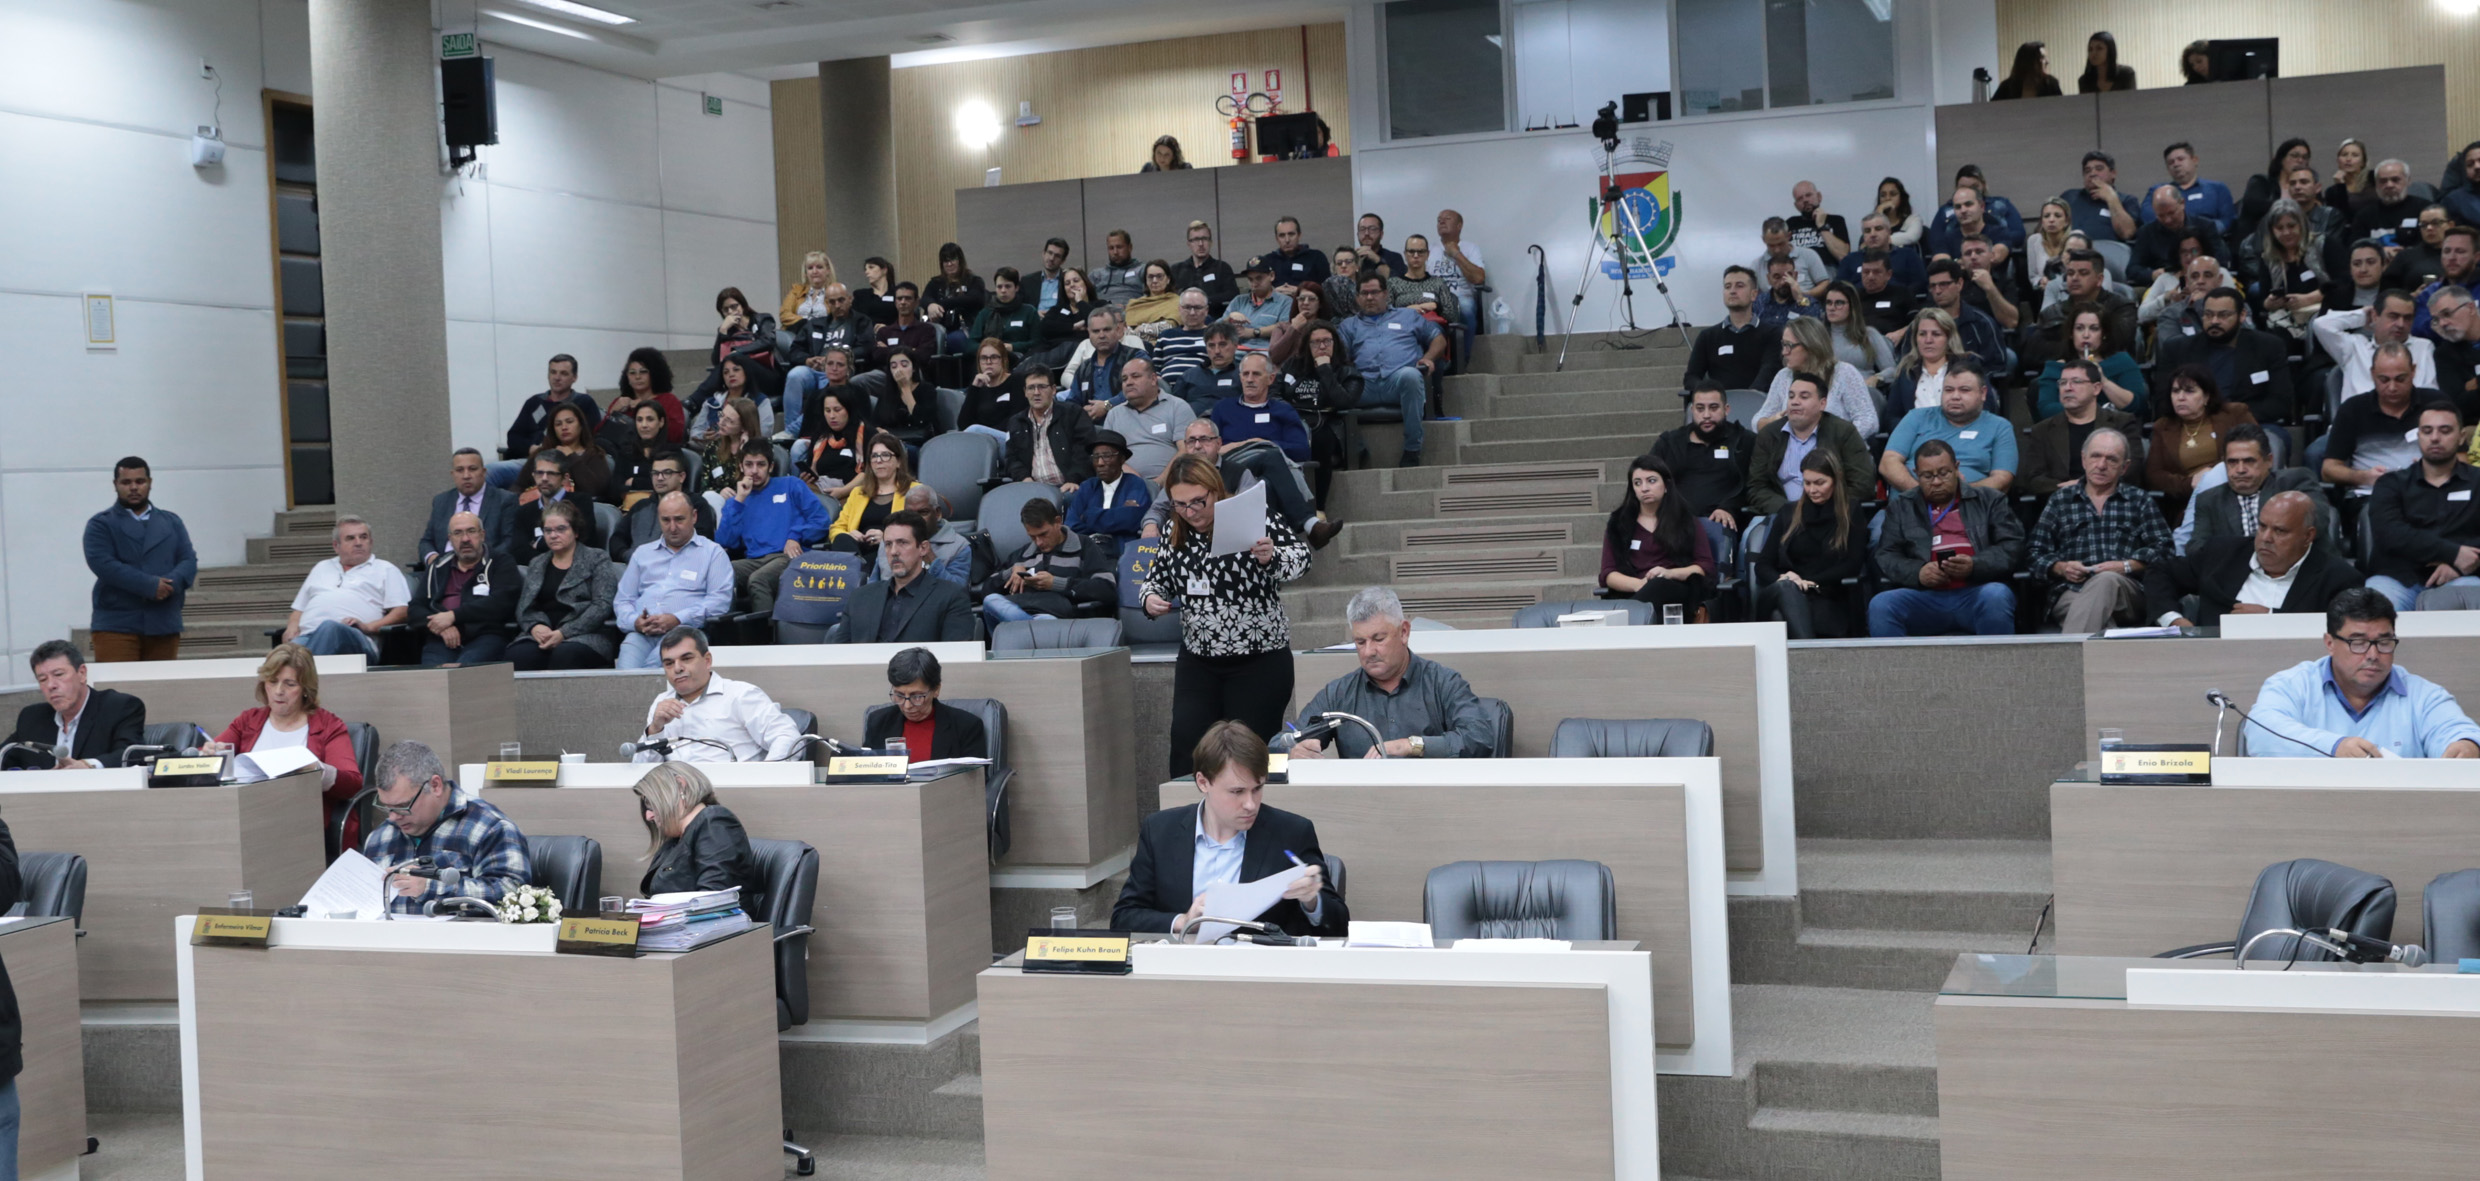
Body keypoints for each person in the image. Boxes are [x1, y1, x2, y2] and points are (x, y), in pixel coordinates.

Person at [1141, 455, 1312, 777]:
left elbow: (1302, 560)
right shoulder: (1174, 529)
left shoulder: (1252, 516)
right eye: (1180, 504)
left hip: (1259, 659)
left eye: (1198, 502)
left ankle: (1255, 808)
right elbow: (1155, 580)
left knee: (1251, 753)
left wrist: (1272, 557)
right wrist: (1150, 598)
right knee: (1187, 745)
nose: (1191, 512)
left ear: (1215, 490)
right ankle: (1188, 808)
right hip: (1199, 660)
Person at [1113, 720, 1346, 938]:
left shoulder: (1291, 833)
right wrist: (1184, 921)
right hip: (1184, 963)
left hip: (1257, 964)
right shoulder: (1160, 831)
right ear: (1203, 782)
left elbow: (1340, 925)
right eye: (1237, 792)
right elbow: (1124, 918)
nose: (1250, 804)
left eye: (1257, 788)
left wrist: (1312, 902)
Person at [2245, 588, 2480, 757]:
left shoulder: (2423, 695)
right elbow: (2261, 732)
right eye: (2358, 643)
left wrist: (2467, 745)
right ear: (2330, 643)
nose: (2373, 655)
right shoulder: (2292, 685)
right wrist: (2334, 747)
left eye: (2384, 642)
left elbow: (2456, 729)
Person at [1291, 587, 1493, 758]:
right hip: (1363, 792)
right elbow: (1284, 740)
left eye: (1378, 639)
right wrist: (1294, 751)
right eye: (1360, 642)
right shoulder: (1339, 693)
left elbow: (1480, 738)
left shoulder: (1443, 682)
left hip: (1430, 790)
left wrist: (1411, 745)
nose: (1368, 652)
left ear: (1404, 632)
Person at [208, 644, 365, 842]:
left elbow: (352, 783)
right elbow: (211, 756)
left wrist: (316, 769)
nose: (278, 691)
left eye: (290, 684)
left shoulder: (328, 726)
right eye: (272, 682)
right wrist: (208, 754)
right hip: (246, 822)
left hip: (301, 830)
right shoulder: (248, 721)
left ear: (306, 689)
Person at [1869, 441, 2023, 636]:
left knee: (1996, 595)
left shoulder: (1989, 499)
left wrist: (1975, 565)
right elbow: (1887, 554)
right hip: (1924, 597)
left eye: (1944, 473)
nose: (1936, 482)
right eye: (1927, 476)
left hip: (1977, 592)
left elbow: (2011, 545)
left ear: (1956, 468)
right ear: (1916, 474)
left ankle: (1997, 658)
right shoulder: (1902, 506)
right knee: (1881, 604)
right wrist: (1918, 572)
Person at [360, 740, 532, 915]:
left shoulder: (489, 827)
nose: (393, 817)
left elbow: (513, 895)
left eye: (403, 806)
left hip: (461, 933)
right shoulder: (381, 837)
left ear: (435, 786)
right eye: (387, 808)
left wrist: (431, 887)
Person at [2147, 491, 2362, 627]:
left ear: (2308, 536)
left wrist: (2271, 620)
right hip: (2214, 666)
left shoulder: (2338, 578)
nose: (2266, 538)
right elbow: (2160, 572)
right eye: (2262, 526)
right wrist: (2174, 620)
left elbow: (2348, 630)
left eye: (2280, 531)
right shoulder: (2221, 554)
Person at [2027, 428, 2169, 633]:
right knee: (2092, 612)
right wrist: (2062, 567)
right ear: (2084, 460)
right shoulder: (2061, 500)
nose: (2101, 465)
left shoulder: (2139, 500)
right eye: (2095, 456)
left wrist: (2126, 566)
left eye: (2111, 459)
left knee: (2105, 580)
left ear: (2124, 467)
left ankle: (2070, 655)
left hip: (2127, 591)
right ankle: (2100, 653)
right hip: (2071, 591)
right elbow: (2034, 554)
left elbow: (2165, 551)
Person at [2367, 403, 2480, 610]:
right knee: (2376, 606)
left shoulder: (2478, 481)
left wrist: (2461, 566)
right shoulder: (2390, 483)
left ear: (2461, 436)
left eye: (2445, 430)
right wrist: (2452, 553)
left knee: (2472, 595)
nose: (2435, 438)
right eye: (2427, 431)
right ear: (2418, 435)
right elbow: (2389, 533)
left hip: (2461, 577)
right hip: (2397, 580)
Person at [84, 456, 196, 662]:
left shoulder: (171, 521)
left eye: (140, 481)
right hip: (117, 623)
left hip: (163, 620)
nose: (134, 487)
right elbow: (103, 564)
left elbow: (188, 560)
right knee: (118, 683)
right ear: (115, 485)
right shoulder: (101, 524)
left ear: (150, 483)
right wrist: (150, 585)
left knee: (161, 682)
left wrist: (170, 585)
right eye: (126, 482)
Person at [636, 627, 800, 763]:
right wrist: (655, 729)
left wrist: (766, 778)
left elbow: (787, 737)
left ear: (707, 660)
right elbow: (641, 771)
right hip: (678, 790)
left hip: (734, 788)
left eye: (686, 659)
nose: (677, 668)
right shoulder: (662, 703)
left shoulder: (740, 695)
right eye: (669, 663)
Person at [1752, 451, 1867, 638]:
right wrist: (1783, 578)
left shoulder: (1851, 511)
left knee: (1780, 617)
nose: (1812, 490)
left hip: (1825, 593)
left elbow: (1853, 563)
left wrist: (1812, 582)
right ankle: (1810, 650)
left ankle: (1804, 649)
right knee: (1787, 588)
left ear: (1836, 480)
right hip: (1782, 589)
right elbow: (1763, 564)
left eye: (1820, 483)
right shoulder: (1788, 512)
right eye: (1807, 483)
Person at [1337, 271, 1445, 467]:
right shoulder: (1348, 325)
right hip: (1364, 385)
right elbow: (1338, 357)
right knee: (1333, 388)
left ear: (1385, 294)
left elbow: (1438, 339)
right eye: (1364, 293)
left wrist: (1428, 358)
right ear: (1357, 297)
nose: (1369, 297)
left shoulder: (1408, 316)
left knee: (1411, 376)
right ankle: (1357, 449)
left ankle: (1412, 449)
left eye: (1374, 292)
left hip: (1398, 381)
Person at [1599, 454, 1717, 621]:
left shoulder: (1685, 520)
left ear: (1666, 485)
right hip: (1633, 591)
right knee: (1653, 596)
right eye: (1637, 483)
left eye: (1651, 481)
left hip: (1676, 592)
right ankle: (1634, 617)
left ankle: (1624, 621)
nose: (1644, 488)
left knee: (1659, 584)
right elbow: (1608, 574)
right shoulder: (1619, 523)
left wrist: (1669, 573)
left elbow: (1705, 567)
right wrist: (1638, 584)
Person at [2184, 424, 2335, 554]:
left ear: (2269, 461)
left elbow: (2316, 522)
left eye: (2249, 461)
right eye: (2233, 462)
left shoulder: (2295, 482)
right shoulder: (2210, 499)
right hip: (2239, 574)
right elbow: (2196, 549)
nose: (2240, 470)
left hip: (2299, 570)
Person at [507, 500, 620, 671]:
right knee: (518, 655)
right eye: (548, 531)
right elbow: (524, 606)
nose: (553, 535)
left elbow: (602, 605)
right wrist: (535, 626)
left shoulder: (597, 559)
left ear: (575, 531)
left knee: (565, 654)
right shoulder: (537, 563)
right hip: (543, 633)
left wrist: (564, 633)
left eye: (561, 529)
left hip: (586, 634)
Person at [2153, 287, 2293, 422]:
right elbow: (2162, 402)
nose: (2214, 321)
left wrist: (2229, 417)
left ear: (2242, 315)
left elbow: (2280, 401)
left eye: (2223, 315)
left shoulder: (2268, 346)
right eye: (2208, 314)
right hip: (2193, 424)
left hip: (2252, 422)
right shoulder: (2177, 349)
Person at [2323, 345, 2440, 502]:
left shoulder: (2436, 404)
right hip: (2371, 496)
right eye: (2384, 380)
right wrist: (2362, 477)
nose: (2392, 387)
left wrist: (2434, 467)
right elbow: (2329, 469)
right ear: (2372, 374)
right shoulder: (2353, 409)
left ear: (2413, 371)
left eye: (2400, 379)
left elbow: (2461, 458)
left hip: (2430, 493)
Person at [836, 512, 976, 643]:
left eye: (902, 543)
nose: (894, 551)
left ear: (923, 548)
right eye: (888, 544)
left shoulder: (951, 596)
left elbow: (956, 656)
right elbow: (839, 655)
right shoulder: (860, 597)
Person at [3, 641, 145, 769]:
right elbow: (5, 756)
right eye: (43, 679)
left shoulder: (119, 707)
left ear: (82, 673)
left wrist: (88, 765)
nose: (51, 685)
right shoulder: (32, 717)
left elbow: (131, 755)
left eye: (59, 674)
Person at [281, 515, 407, 657]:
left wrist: (369, 627)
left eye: (363, 537)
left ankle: (306, 666)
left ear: (371, 542)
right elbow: (299, 609)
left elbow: (402, 612)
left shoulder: (385, 569)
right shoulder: (322, 567)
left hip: (356, 639)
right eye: (350, 538)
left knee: (329, 628)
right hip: (307, 637)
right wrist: (291, 627)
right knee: (283, 656)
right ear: (336, 546)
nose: (358, 543)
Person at [631, 761, 761, 899]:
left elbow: (712, 898)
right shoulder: (673, 841)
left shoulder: (714, 821)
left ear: (680, 786)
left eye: (650, 804)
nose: (648, 816)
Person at [1747, 374, 1872, 517]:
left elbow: (1862, 484)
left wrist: (1821, 509)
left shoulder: (1843, 432)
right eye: (1791, 396)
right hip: (1779, 514)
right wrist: (1789, 511)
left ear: (1822, 404)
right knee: (1755, 532)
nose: (1795, 402)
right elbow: (1757, 486)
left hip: (1831, 515)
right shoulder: (1769, 434)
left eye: (1804, 397)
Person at [2144, 365, 2256, 523]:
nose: (2180, 397)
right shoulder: (2163, 427)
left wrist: (2212, 474)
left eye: (2189, 391)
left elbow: (2255, 451)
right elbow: (2154, 475)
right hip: (2188, 500)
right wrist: (2189, 483)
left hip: (2234, 490)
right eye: (2175, 391)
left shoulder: (2234, 414)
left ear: (2206, 397)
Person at [2020, 358, 2146, 499]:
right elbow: (2033, 478)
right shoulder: (2042, 430)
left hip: (2111, 499)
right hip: (2061, 501)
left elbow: (2132, 469)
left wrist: (2087, 485)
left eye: (2076, 382)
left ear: (2096, 388)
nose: (2067, 388)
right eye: (2062, 383)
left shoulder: (2121, 423)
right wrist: (2069, 488)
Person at [978, 497, 1111, 629]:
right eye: (1032, 537)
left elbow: (1106, 589)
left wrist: (1056, 583)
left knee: (1045, 621)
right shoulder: (1021, 554)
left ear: (1057, 522)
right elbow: (986, 590)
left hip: (1057, 616)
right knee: (991, 600)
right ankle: (1031, 628)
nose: (1039, 542)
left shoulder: (1084, 546)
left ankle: (1030, 629)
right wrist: (1011, 572)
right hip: (1017, 611)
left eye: (1043, 534)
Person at [1882, 361, 2015, 493]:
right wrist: (1923, 494)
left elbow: (2002, 478)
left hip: (1972, 503)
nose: (1955, 396)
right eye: (1949, 390)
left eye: (1964, 390)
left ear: (1983, 393)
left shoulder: (1999, 426)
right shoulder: (1916, 417)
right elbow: (1888, 463)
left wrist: (1958, 495)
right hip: (1912, 501)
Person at [407, 512, 518, 667]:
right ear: (450, 539)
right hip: (442, 639)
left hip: (486, 636)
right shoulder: (438, 566)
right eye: (458, 533)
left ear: (482, 535)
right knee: (433, 675)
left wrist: (453, 616)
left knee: (463, 673)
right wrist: (441, 627)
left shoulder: (500, 562)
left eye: (471, 531)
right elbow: (415, 608)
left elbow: (501, 603)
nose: (465, 539)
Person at [1653, 381, 1757, 530]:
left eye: (1713, 408)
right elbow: (1647, 479)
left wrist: (1729, 508)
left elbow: (1755, 485)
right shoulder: (1669, 442)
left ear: (1726, 409)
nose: (1706, 415)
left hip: (1723, 522)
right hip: (1676, 522)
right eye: (1700, 409)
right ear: (1692, 410)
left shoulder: (1745, 441)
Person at [1754, 316, 1876, 436]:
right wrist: (1771, 422)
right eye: (1783, 345)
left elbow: (1868, 420)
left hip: (1837, 447)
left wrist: (1837, 441)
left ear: (1810, 346)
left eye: (1789, 345)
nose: (1784, 352)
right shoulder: (1783, 376)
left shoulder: (1844, 373)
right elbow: (1757, 420)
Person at [861, 647, 987, 760]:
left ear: (936, 690)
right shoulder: (878, 722)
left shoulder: (965, 726)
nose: (907, 706)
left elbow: (976, 777)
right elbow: (865, 773)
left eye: (916, 697)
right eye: (899, 695)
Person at [494, 354, 601, 487]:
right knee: (490, 471)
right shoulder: (534, 402)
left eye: (563, 373)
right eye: (553, 372)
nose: (557, 377)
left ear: (574, 377)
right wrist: (530, 448)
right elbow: (513, 437)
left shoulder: (583, 403)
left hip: (566, 463)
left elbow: (595, 437)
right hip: (531, 462)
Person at [2313, 291, 2438, 402]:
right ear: (2374, 316)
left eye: (2407, 318)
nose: (2401, 324)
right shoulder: (2354, 347)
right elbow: (2321, 324)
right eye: (2393, 316)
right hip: (2358, 418)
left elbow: (2430, 394)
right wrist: (2362, 315)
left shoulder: (2423, 347)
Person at [2035, 305, 2147, 419]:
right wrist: (2091, 410)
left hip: (2115, 426)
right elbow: (2046, 409)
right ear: (2071, 334)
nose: (2086, 335)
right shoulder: (2057, 368)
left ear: (2104, 334)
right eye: (2079, 328)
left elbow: (2136, 405)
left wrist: (2103, 380)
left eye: (2094, 329)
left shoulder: (2121, 361)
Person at [2030, 251, 2137, 366]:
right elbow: (2033, 354)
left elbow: (2114, 345)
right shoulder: (2052, 313)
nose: (2075, 278)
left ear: (2099, 279)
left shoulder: (2122, 308)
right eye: (2070, 273)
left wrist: (2067, 341)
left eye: (2083, 273)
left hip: (2111, 370)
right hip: (2062, 371)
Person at [1004, 368, 1096, 491]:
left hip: (1069, 487)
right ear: (1025, 392)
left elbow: (1085, 451)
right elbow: (1011, 459)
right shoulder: (1016, 422)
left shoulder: (1074, 413)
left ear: (1053, 389)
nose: (1036, 392)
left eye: (1042, 387)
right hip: (1032, 488)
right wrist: (1024, 479)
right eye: (1031, 388)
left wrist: (1073, 480)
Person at [420, 449, 519, 564]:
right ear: (453, 474)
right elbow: (426, 541)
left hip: (486, 566)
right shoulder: (441, 501)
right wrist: (433, 559)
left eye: (472, 469)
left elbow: (509, 542)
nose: (466, 476)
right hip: (444, 566)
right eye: (460, 470)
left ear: (483, 472)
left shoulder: (504, 500)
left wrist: (480, 563)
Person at [1103, 358, 1195, 481]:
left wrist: (1158, 483)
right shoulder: (1114, 414)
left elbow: (1186, 450)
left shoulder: (1177, 407)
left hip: (1173, 483)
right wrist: (1137, 483)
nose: (1128, 382)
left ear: (1153, 379)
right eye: (1124, 379)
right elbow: (1107, 457)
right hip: (1125, 484)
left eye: (1135, 376)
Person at [1684, 267, 1771, 392]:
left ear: (1754, 294)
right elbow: (1691, 376)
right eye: (1728, 286)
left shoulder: (1771, 333)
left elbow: (1770, 370)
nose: (1732, 291)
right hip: (1718, 402)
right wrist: (1710, 394)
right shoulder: (1707, 336)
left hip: (1759, 400)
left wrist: (1750, 396)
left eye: (1739, 286)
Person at [508, 450, 604, 563]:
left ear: (565, 478)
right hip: (538, 570)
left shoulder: (581, 502)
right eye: (539, 473)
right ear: (533, 475)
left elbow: (583, 542)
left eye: (551, 473)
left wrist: (539, 544)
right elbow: (518, 552)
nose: (544, 478)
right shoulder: (524, 512)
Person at [829, 435, 916, 558]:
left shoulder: (914, 491)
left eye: (885, 455)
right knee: (841, 539)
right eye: (874, 456)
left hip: (891, 554)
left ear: (899, 461)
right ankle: (858, 565)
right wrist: (849, 535)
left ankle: (860, 567)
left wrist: (887, 539)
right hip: (858, 551)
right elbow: (836, 528)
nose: (878, 461)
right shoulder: (858, 493)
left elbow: (919, 530)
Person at [1067, 430, 1151, 557]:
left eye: (1107, 456)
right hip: (1087, 551)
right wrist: (1117, 518)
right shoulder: (1087, 486)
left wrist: (1088, 515)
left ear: (1122, 459)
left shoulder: (1135, 483)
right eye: (1096, 457)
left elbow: (1133, 520)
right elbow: (1071, 524)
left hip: (1122, 552)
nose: (1100, 463)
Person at [1210, 353, 1309, 461]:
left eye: (1256, 374)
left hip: (1272, 465)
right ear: (1240, 377)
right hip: (1232, 466)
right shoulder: (1223, 408)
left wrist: (1265, 445)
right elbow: (1209, 449)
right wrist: (1245, 445)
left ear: (1271, 379)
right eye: (1245, 374)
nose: (1250, 379)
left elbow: (1302, 451)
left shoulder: (1284, 410)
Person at [1919, 260, 2009, 374]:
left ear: (1959, 284)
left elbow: (1996, 366)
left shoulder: (1981, 323)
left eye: (1944, 284)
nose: (1937, 291)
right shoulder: (1922, 324)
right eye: (1933, 286)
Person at [2130, 184, 2231, 286]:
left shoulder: (2205, 226)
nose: (2167, 220)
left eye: (2171, 213)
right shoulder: (2146, 232)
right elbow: (2133, 269)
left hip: (2203, 281)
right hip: (2163, 283)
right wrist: (2152, 274)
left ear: (2182, 203)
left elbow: (2220, 261)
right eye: (2161, 216)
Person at [877, 485, 972, 586]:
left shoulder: (959, 546)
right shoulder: (889, 541)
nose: (915, 519)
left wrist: (932, 560)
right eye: (909, 513)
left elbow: (958, 590)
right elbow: (873, 586)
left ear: (937, 513)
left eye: (923, 512)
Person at [528, 400, 612, 505]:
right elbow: (520, 485)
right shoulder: (542, 453)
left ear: (581, 425)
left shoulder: (594, 453)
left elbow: (595, 490)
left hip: (580, 507)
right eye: (558, 424)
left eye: (569, 422)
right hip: (541, 506)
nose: (564, 427)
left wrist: (572, 457)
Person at [1884, 307, 1961, 416]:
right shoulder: (1906, 372)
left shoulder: (1966, 368)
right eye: (1922, 334)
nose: (1928, 340)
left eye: (1936, 334)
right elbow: (1892, 416)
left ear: (1949, 338)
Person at [1820, 281, 1897, 389]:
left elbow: (1892, 370)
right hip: (1829, 391)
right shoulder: (1818, 336)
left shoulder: (1869, 334)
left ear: (1852, 306)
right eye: (1829, 303)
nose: (1832, 308)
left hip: (1865, 390)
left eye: (1839, 303)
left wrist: (1877, 378)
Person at [2152, 143, 2238, 236]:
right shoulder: (2157, 192)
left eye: (2180, 159)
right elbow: (2149, 218)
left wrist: (2202, 233)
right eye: (2171, 162)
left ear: (2195, 160)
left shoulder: (2218, 189)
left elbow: (2227, 220)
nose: (2176, 164)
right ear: (2168, 169)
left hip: (2209, 239)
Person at [922, 243, 987, 356]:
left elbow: (974, 299)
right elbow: (924, 298)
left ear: (960, 260)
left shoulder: (974, 281)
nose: (949, 264)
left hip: (966, 327)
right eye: (945, 261)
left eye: (953, 259)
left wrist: (942, 305)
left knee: (954, 340)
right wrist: (930, 305)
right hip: (940, 326)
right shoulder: (935, 283)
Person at [1432, 209, 1488, 338]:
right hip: (1434, 297)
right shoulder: (1429, 249)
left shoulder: (1471, 248)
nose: (1441, 221)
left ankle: (1466, 351)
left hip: (1461, 297)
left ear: (1459, 226)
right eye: (1439, 220)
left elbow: (1479, 278)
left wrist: (1456, 254)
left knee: (1466, 309)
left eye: (1447, 218)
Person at [2061, 151, 2140, 242]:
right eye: (2087, 171)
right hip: (2071, 249)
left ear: (2113, 173)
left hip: (2110, 250)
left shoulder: (2127, 200)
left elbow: (2127, 233)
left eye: (2099, 169)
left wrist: (2111, 199)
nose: (2092, 173)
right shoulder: (2069, 197)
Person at [872, 348, 940, 449]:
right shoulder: (886, 392)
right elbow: (875, 423)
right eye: (894, 366)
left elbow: (922, 420)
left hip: (920, 444)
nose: (899, 370)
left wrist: (905, 388)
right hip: (892, 443)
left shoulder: (926, 389)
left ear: (914, 368)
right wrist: (881, 431)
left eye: (904, 365)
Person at [1169, 221, 1237, 317]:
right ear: (1189, 244)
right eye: (1196, 239)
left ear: (1211, 242)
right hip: (1184, 320)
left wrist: (1203, 301)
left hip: (1214, 319)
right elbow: (1170, 298)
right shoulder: (1177, 270)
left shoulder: (1222, 268)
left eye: (1204, 239)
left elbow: (1232, 295)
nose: (1201, 244)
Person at [1848, 246, 1922, 336]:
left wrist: (1901, 333)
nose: (1870, 277)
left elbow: (1918, 321)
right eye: (1866, 272)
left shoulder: (1902, 294)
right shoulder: (1853, 297)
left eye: (1876, 272)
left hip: (1891, 340)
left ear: (1888, 274)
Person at [1173, 320, 1244, 414]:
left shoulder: (1244, 374)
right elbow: (1173, 409)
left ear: (1235, 345)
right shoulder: (1189, 375)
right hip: (1193, 421)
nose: (1217, 351)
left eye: (1222, 345)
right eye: (1211, 345)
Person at [1752, 217, 1831, 299]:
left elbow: (1824, 284)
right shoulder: (1756, 265)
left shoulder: (1809, 255)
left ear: (1789, 236)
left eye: (1780, 244)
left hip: (1806, 304)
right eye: (1771, 245)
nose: (1777, 250)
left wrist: (1802, 297)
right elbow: (1752, 294)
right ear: (1763, 240)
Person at [1225, 257, 1292, 352]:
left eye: (1259, 278)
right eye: (1250, 279)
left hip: (1267, 352)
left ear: (1272, 276)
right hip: (1236, 351)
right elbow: (1216, 328)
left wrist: (1253, 332)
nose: (1254, 284)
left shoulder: (1285, 301)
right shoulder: (1239, 300)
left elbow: (1285, 327)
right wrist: (1229, 318)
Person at [2350, 159, 2426, 242]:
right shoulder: (2365, 216)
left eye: (2395, 180)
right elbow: (2356, 246)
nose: (2389, 185)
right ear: (2376, 184)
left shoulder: (2425, 210)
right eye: (2383, 181)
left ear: (2408, 180)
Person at [970, 267, 1041, 355]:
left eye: (1008, 286)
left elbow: (1037, 343)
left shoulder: (1029, 311)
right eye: (999, 287)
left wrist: (1013, 347)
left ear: (1016, 288)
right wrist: (991, 348)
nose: (1003, 290)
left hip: (1020, 357)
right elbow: (970, 345)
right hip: (990, 358)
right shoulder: (986, 313)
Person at [1266, 215, 1330, 295]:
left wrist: (1301, 291)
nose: (1287, 240)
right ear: (1277, 238)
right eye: (1282, 235)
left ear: (1299, 235)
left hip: (1307, 300)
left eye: (1291, 234)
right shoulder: (1267, 261)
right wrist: (1273, 293)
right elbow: (1257, 290)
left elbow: (1327, 290)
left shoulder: (1317, 257)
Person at [1755, 254, 1819, 328]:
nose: (1783, 282)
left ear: (1795, 276)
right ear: (1769, 279)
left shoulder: (1808, 301)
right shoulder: (1759, 301)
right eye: (1777, 277)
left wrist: (1800, 298)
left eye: (1788, 276)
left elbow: (1814, 328)